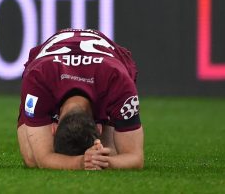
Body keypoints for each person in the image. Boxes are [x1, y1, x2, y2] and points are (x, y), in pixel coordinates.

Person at [17, 28, 145, 170]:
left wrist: (104, 162)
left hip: (108, 66)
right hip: (51, 64)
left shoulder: (118, 81)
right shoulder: (37, 78)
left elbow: (136, 158)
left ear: (54, 128)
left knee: (109, 152)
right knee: (32, 159)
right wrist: (82, 162)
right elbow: (42, 159)